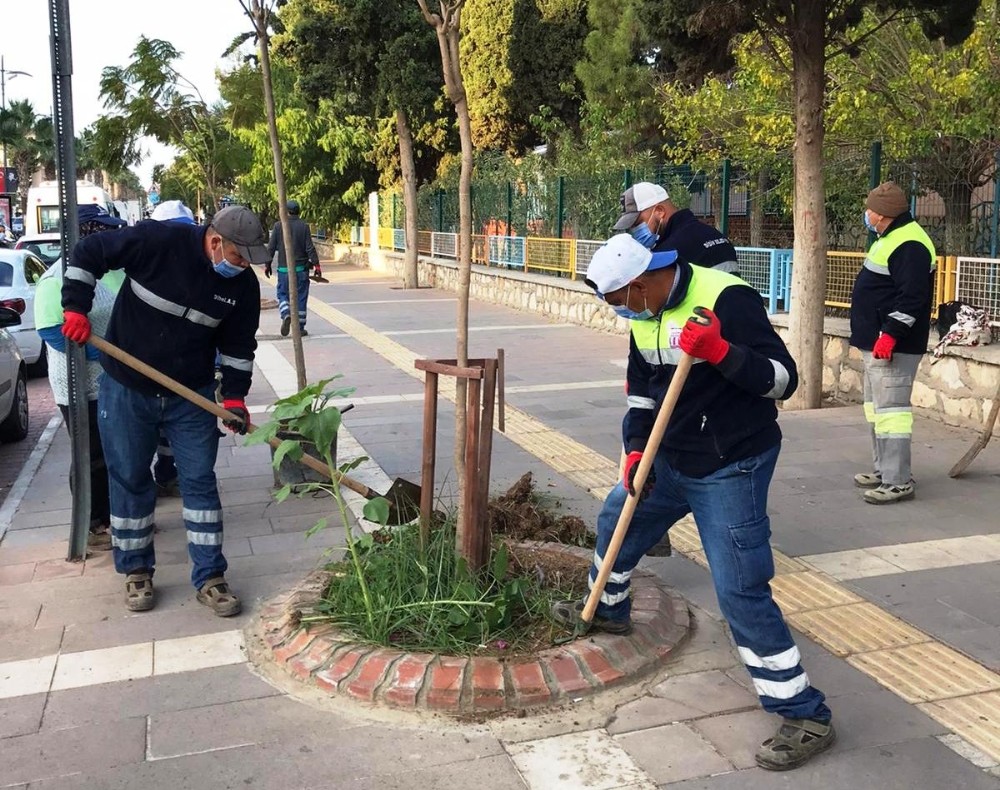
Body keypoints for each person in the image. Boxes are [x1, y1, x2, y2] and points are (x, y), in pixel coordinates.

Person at [553, 233, 834, 771]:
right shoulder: (644, 316)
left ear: (638, 286)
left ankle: (804, 713)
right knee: (618, 517)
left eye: (617, 302)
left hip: (731, 462)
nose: (618, 314)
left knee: (739, 587)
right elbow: (640, 394)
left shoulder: (726, 298)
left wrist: (722, 352)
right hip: (668, 454)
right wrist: (636, 451)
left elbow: (783, 381)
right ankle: (607, 610)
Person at [60, 205, 267, 616]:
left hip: (190, 395)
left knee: (199, 481)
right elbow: (89, 253)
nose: (244, 266)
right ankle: (136, 571)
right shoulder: (157, 242)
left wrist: (234, 399)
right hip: (127, 389)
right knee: (131, 479)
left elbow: (239, 348)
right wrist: (75, 307)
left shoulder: (241, 287)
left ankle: (210, 576)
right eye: (239, 257)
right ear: (214, 242)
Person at [34, 205, 128, 551]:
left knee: (120, 449)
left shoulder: (112, 271)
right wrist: (103, 354)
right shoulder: (54, 279)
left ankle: (119, 515)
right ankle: (92, 521)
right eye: (100, 229)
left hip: (117, 379)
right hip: (79, 386)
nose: (109, 235)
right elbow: (52, 332)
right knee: (92, 454)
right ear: (83, 232)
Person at [849, 182, 935, 504]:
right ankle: (884, 469)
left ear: (882, 214)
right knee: (877, 411)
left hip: (893, 346)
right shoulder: (891, 237)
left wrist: (890, 335)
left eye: (869, 209)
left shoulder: (910, 243)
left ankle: (899, 481)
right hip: (878, 342)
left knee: (893, 415)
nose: (867, 214)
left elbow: (912, 297)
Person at [614, 181, 739, 274]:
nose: (634, 232)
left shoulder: (668, 253)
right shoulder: (714, 235)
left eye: (637, 223)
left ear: (659, 211)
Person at [266, 200, 320, 337]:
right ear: (298, 211)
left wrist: (267, 264)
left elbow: (271, 247)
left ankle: (285, 314)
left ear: (285, 211)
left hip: (284, 270)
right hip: (301, 270)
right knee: (301, 297)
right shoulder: (304, 226)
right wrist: (317, 266)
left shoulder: (278, 226)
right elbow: (310, 247)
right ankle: (300, 327)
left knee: (282, 294)